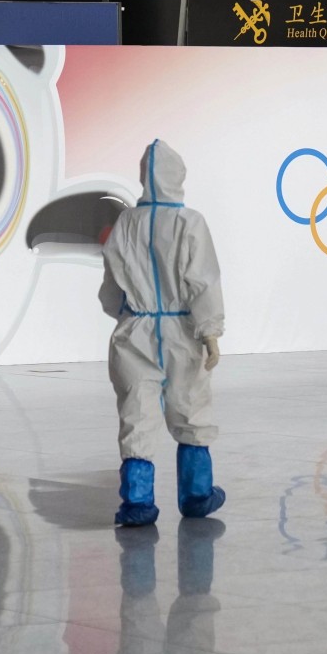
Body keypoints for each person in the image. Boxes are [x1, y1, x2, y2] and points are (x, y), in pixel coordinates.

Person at [99, 139, 226, 526]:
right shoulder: (190, 222)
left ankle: (138, 502)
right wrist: (210, 332)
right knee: (190, 407)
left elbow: (110, 289)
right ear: (178, 175)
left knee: (136, 411)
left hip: (135, 330)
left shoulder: (125, 223)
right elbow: (203, 281)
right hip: (182, 329)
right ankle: (197, 494)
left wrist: (127, 313)